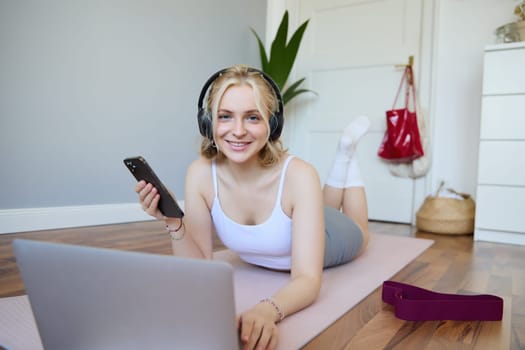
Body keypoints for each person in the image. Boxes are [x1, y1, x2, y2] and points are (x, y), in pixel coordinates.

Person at [135, 64, 370, 350]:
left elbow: (308, 279)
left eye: (252, 117)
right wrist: (172, 221)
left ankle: (347, 155)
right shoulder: (199, 174)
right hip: (300, 215)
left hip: (332, 240)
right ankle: (341, 161)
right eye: (225, 116)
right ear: (208, 123)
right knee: (321, 208)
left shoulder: (300, 174)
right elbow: (197, 267)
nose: (238, 131)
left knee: (359, 230)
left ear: (272, 123)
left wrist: (266, 311)